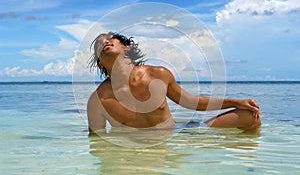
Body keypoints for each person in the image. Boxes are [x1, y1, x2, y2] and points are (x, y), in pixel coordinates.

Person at [87, 32, 261, 134]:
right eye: (99, 45)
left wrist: (236, 102)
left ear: (127, 47)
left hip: (175, 135)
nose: (104, 41)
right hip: (136, 148)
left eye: (110, 38)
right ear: (100, 63)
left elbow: (191, 102)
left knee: (251, 117)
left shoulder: (158, 74)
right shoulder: (98, 100)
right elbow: (96, 142)